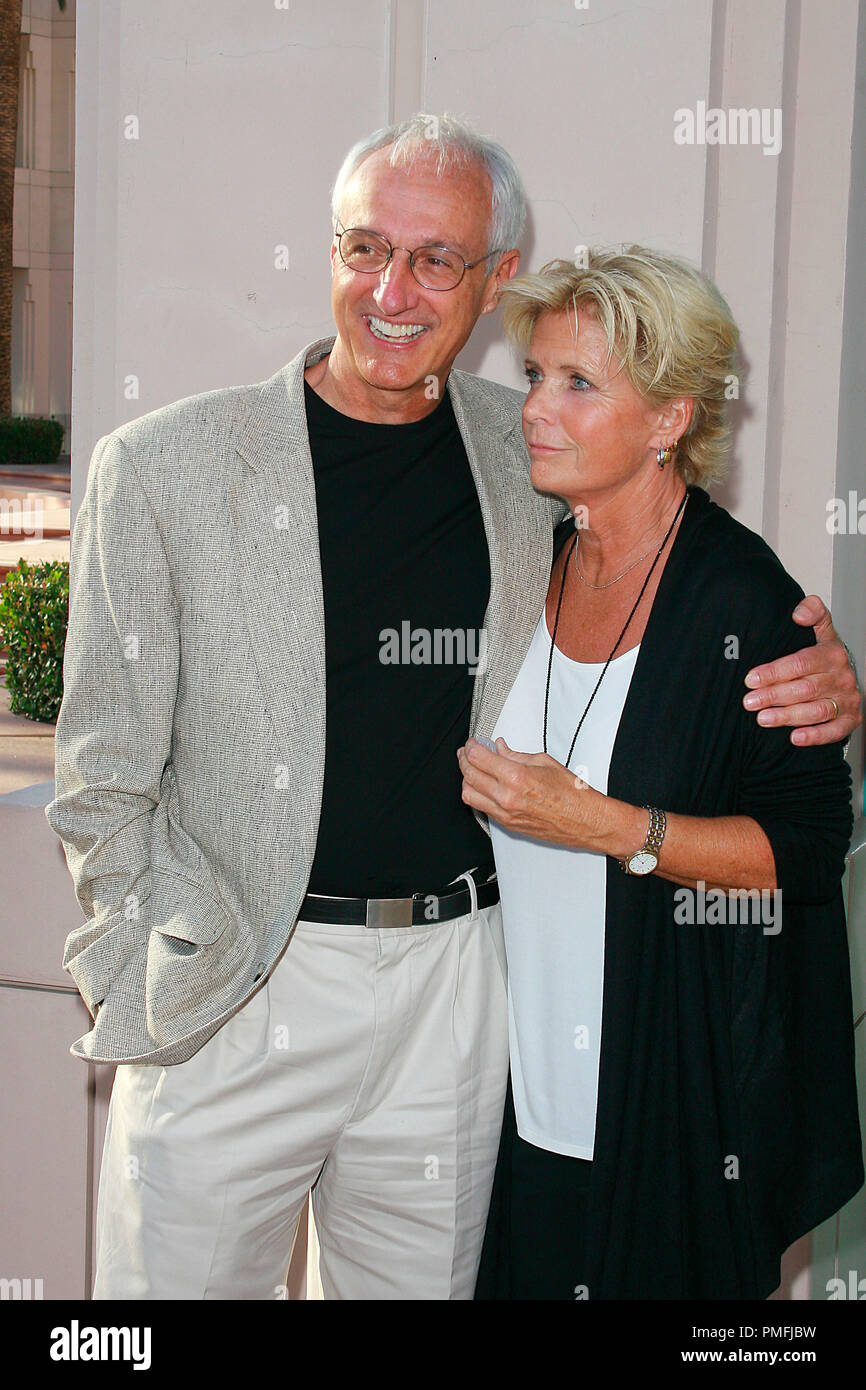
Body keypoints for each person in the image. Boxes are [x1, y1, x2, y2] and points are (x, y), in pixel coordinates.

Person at [46, 115, 860, 1301]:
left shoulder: (521, 451)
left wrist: (823, 668)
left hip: (457, 996)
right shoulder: (163, 466)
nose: (391, 291)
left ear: (494, 277)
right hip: (235, 988)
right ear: (331, 249)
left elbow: (677, 567)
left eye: (435, 259)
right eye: (365, 247)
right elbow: (100, 775)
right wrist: (150, 958)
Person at [458, 248, 864, 1300]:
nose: (535, 408)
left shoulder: (743, 602)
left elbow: (805, 850)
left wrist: (604, 824)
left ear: (671, 418)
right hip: (510, 1097)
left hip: (665, 1105)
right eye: (535, 375)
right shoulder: (526, 558)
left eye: (578, 383)